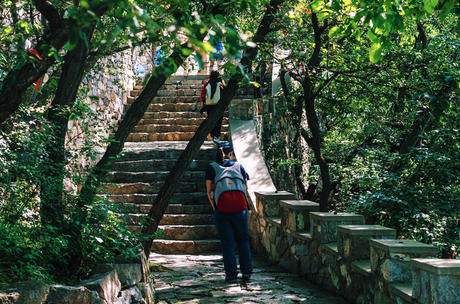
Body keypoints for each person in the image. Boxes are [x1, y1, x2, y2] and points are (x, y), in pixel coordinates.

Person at [205, 141, 253, 284]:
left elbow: (209, 191)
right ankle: (246, 273)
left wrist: (215, 208)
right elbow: (246, 187)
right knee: (243, 240)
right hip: (240, 209)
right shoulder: (239, 166)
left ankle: (231, 275)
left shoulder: (212, 168)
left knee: (227, 243)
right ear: (231, 153)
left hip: (222, 210)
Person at [199, 71, 226, 142]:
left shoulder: (207, 83)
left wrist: (203, 104)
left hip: (209, 105)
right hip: (218, 105)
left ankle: (213, 135)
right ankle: (216, 136)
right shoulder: (220, 83)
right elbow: (225, 91)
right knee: (218, 121)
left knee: (211, 121)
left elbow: (203, 94)